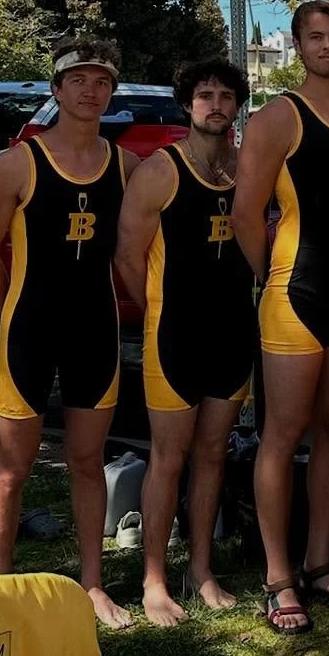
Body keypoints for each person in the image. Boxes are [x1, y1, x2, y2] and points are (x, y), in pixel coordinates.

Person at [0, 38, 139, 629]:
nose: (92, 91)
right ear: (57, 89)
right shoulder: (18, 163)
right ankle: (0, 589)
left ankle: (91, 583)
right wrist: (15, 308)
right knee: (13, 466)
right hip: (30, 332)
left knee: (88, 460)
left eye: (102, 82)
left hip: (95, 329)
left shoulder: (126, 166)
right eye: (80, 80)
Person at [232, 0, 329, 635]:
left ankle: (320, 561)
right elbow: (245, 212)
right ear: (297, 46)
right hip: (296, 290)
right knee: (283, 434)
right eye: (314, 37)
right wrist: (269, 278)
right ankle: (277, 576)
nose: (326, 46)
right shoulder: (278, 117)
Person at [115, 59, 257, 627]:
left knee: (213, 455)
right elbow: (127, 256)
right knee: (168, 458)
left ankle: (201, 571)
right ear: (187, 104)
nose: (216, 105)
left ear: (237, 105)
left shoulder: (247, 168)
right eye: (205, 95)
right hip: (174, 335)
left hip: (232, 334)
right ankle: (154, 579)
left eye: (226, 95)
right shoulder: (160, 172)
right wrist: (158, 313)